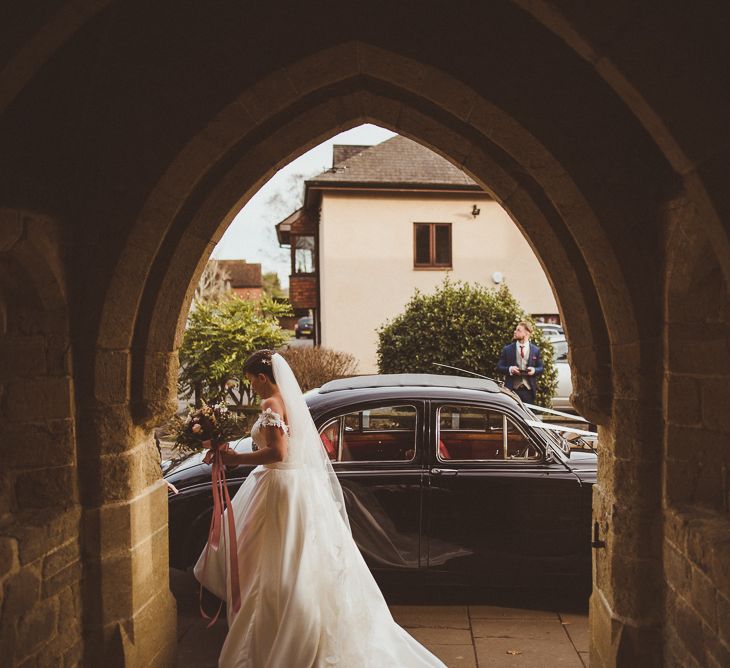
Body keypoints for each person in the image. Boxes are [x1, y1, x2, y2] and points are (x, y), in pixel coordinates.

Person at [194, 349, 446, 667]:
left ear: (261, 377)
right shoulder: (286, 400)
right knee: (295, 559)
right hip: (294, 485)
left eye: (251, 380)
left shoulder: (271, 403)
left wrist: (236, 459)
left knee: (277, 561)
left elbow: (278, 453)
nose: (252, 386)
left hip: (281, 486)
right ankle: (294, 619)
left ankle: (282, 627)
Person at [496, 321, 544, 404]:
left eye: (518, 330)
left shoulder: (535, 350)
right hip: (512, 390)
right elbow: (499, 367)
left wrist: (534, 370)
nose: (515, 331)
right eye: (516, 329)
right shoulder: (507, 349)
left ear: (526, 334)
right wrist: (510, 369)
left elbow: (541, 368)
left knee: (527, 415)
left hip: (529, 391)